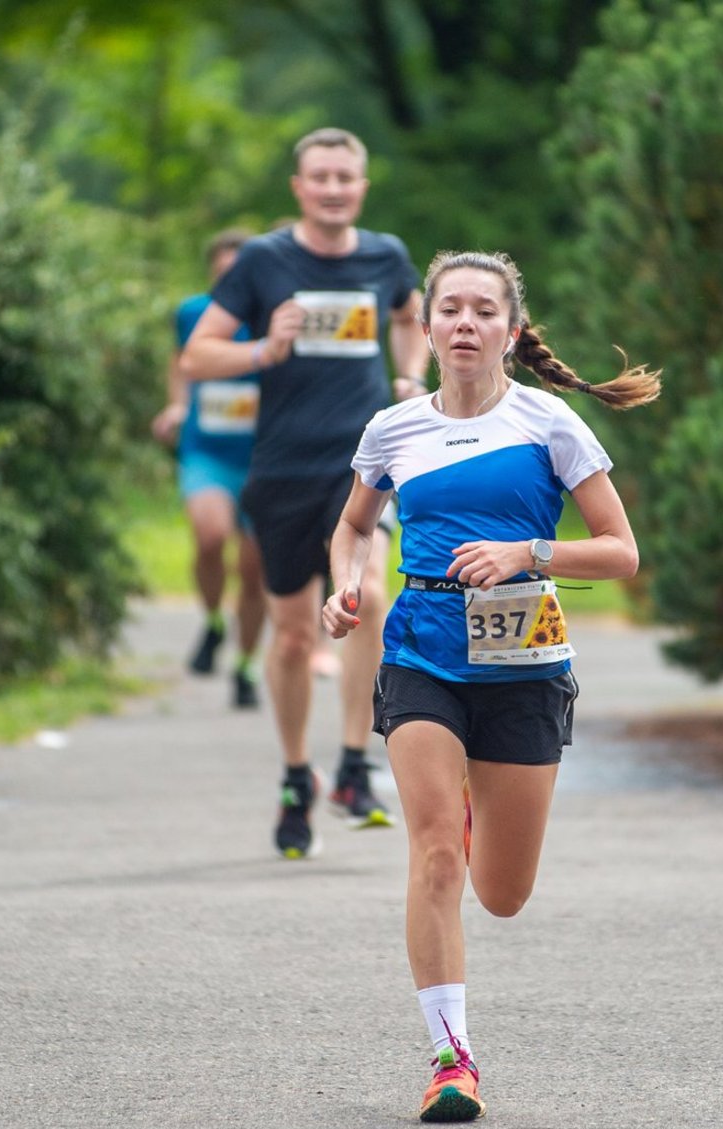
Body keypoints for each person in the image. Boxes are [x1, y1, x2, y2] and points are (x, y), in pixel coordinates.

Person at [322, 249, 660, 1121]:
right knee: (434, 850)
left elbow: (622, 553)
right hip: (421, 654)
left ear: (511, 331)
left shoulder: (549, 423)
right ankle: (450, 1059)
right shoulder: (392, 428)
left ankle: (475, 797)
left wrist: (529, 552)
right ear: (428, 327)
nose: (465, 323)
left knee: (501, 894)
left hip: (523, 666)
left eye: (484, 310)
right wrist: (346, 582)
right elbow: (354, 526)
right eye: (451, 309)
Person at [181, 128, 429, 855]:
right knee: (292, 637)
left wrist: (409, 376)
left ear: (362, 185)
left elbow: (410, 317)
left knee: (368, 596)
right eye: (318, 177)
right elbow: (198, 355)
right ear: (298, 186)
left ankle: (355, 764)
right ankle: (298, 776)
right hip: (283, 466)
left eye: (344, 177)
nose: (331, 188)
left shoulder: (385, 255)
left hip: (365, 462)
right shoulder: (263, 260)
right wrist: (264, 347)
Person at [151, 229, 266, 709]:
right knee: (210, 535)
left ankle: (243, 666)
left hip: (264, 458)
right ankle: (215, 620)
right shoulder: (193, 313)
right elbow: (180, 363)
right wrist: (177, 405)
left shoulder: (275, 316)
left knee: (255, 569)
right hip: (207, 452)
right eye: (223, 274)